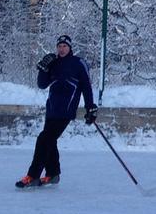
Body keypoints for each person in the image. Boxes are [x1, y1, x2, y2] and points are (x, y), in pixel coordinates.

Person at [16, 34, 99, 188]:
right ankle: (53, 174)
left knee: (44, 139)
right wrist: (42, 69)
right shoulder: (53, 63)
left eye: (64, 46)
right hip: (52, 109)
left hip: (66, 110)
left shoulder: (78, 63)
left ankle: (32, 176)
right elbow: (42, 84)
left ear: (70, 47)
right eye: (59, 46)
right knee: (49, 140)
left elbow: (86, 87)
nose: (61, 49)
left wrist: (90, 107)